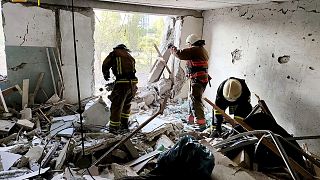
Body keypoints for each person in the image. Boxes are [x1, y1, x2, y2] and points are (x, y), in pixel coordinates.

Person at [169, 34, 210, 129]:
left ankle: (201, 123)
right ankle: (191, 119)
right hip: (200, 79)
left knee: (195, 100)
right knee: (192, 98)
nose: (188, 46)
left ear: (191, 43)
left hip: (197, 80)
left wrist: (172, 49)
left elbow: (180, 53)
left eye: (189, 44)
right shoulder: (202, 50)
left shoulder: (196, 49)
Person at [102, 44, 138, 134]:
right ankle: (124, 125)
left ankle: (114, 129)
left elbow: (105, 64)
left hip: (122, 84)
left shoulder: (115, 54)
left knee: (116, 105)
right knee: (126, 104)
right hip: (133, 84)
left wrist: (106, 74)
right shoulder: (129, 56)